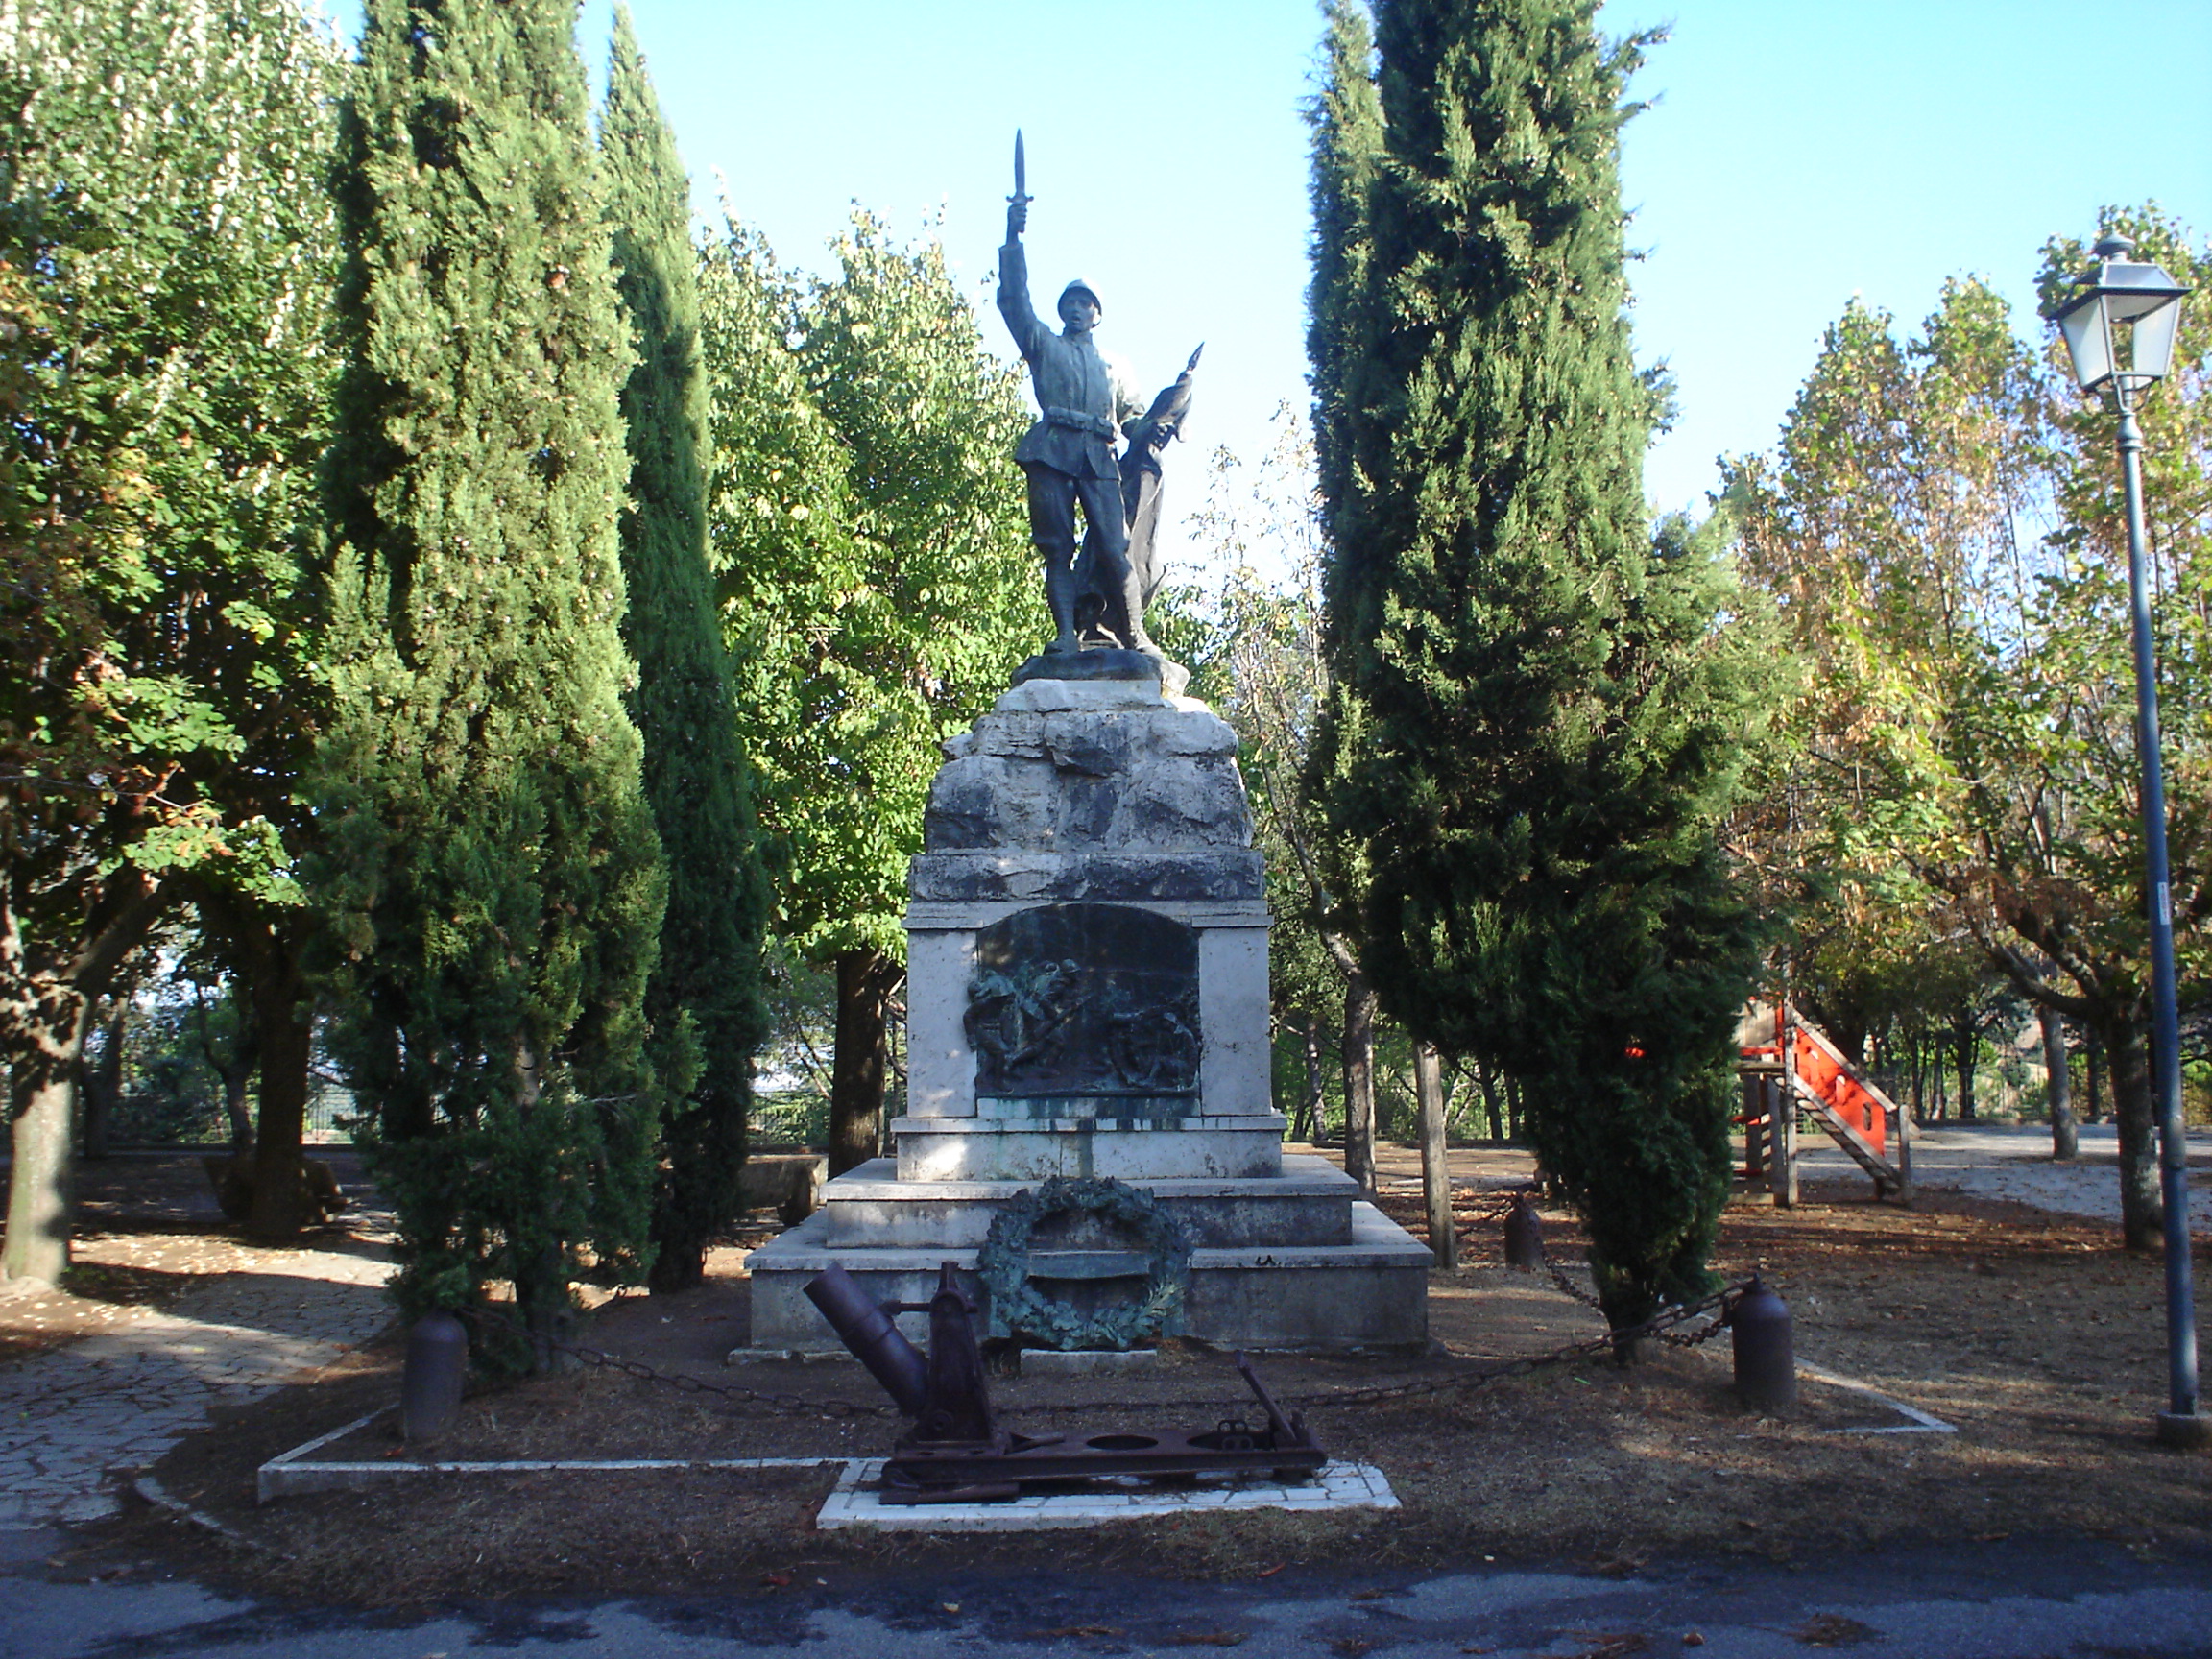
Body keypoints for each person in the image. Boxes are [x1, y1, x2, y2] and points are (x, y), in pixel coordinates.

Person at [998, 196, 1159, 659]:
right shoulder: (1044, 344)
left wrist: (1160, 422)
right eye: (1069, 302)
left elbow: (1136, 419)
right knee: (1057, 549)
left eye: (1085, 303)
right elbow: (1014, 301)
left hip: (1099, 458)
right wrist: (1014, 238)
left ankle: (1134, 633)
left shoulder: (1115, 365)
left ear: (1097, 314)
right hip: (1052, 452)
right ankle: (1066, 636)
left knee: (1115, 546)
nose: (1076, 309)